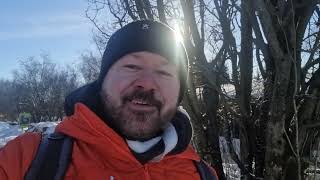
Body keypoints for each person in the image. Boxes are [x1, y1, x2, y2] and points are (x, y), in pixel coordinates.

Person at [0, 20, 218, 180]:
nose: (147, 82)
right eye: (131, 66)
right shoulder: (25, 160)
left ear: (179, 92)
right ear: (102, 81)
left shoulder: (202, 174)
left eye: (164, 73)